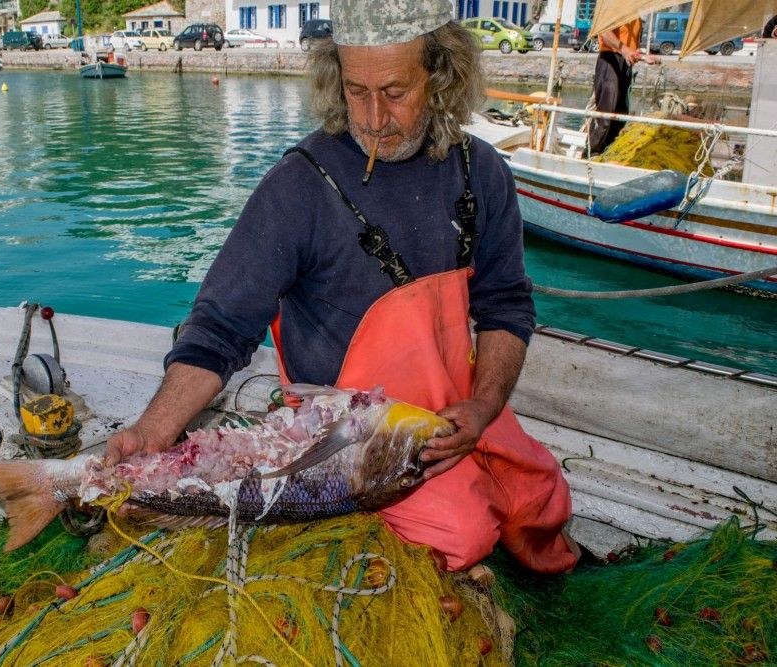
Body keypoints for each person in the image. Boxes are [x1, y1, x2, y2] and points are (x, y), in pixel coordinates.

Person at [105, 0, 579, 575]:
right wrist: (153, 430)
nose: (375, 117)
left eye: (396, 92)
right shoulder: (298, 187)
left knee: (543, 499)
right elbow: (221, 327)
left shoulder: (481, 171)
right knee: (464, 534)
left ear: (442, 75)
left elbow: (506, 304)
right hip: (349, 436)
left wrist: (483, 405)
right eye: (357, 91)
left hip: (455, 406)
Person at [587, 18, 661, 154]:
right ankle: (592, 152)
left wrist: (643, 56)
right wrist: (624, 50)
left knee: (621, 112)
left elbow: (631, 47)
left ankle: (610, 150)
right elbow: (604, 31)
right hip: (609, 59)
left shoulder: (635, 17)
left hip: (625, 63)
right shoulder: (616, 7)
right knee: (606, 110)